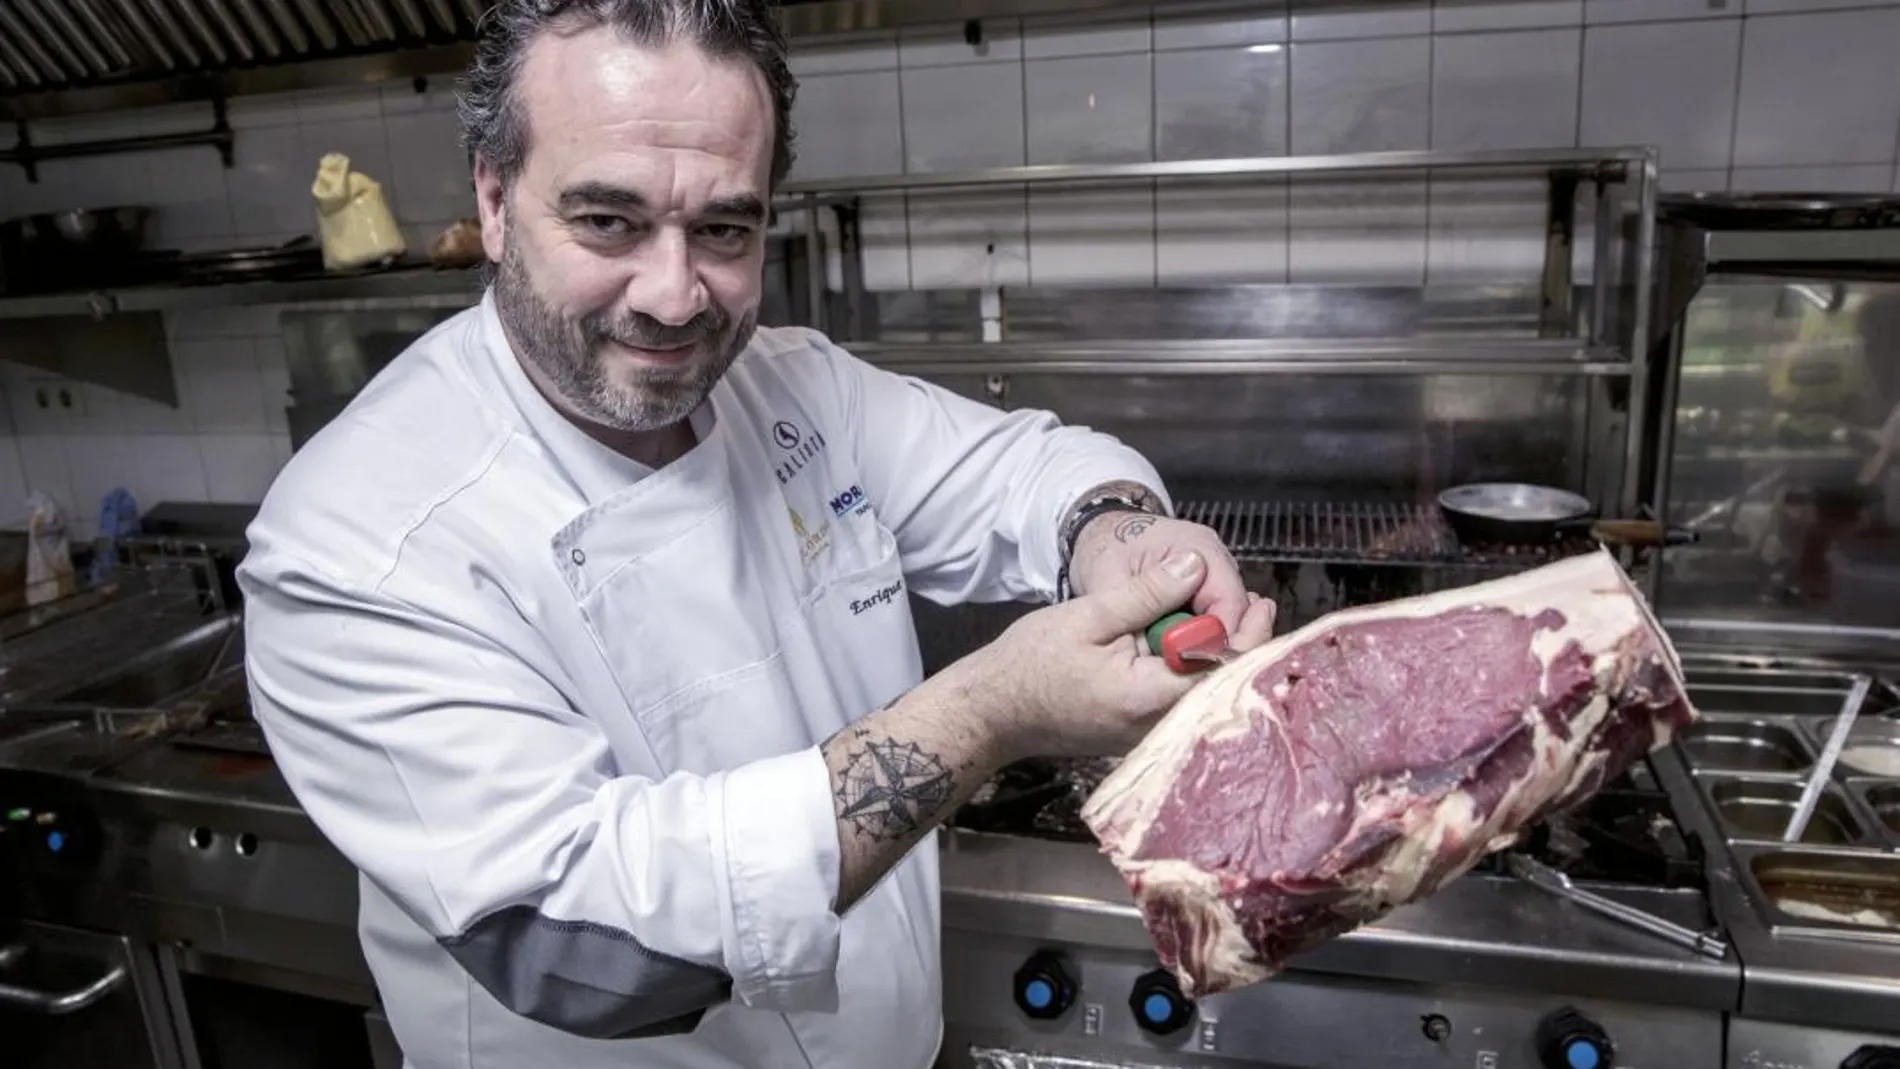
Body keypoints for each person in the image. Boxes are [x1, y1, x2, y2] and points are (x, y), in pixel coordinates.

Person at [237, 2, 1277, 1067]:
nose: (675, 294)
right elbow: (579, 942)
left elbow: (1029, 471)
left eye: (725, 229)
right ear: (495, 201)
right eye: (608, 222)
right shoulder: (359, 535)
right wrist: (995, 712)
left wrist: (1117, 538)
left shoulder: (791, 383)